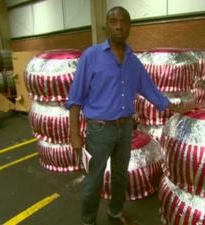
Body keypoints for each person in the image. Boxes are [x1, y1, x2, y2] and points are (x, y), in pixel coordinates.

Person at [66, 6, 191, 225]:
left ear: (130, 26)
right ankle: (88, 221)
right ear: (107, 25)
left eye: (124, 22)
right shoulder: (92, 56)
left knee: (120, 177)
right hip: (99, 130)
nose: (119, 26)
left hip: (125, 130)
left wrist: (177, 107)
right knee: (93, 180)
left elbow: (151, 90)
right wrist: (74, 135)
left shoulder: (133, 61)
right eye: (114, 21)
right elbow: (75, 98)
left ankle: (115, 213)